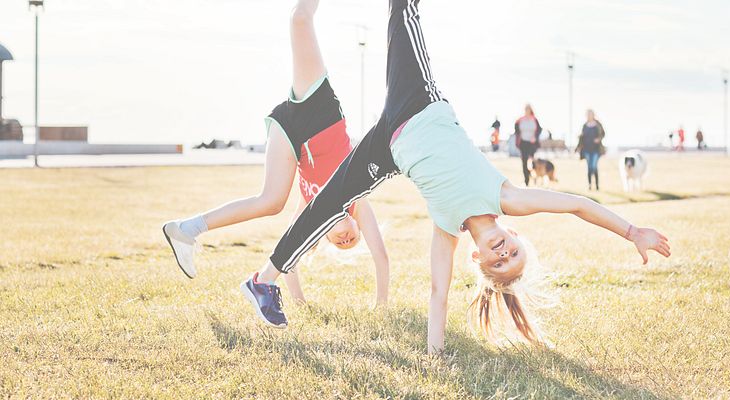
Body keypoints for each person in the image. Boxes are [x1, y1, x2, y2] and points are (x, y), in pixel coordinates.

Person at [241, 0, 671, 353]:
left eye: (498, 263)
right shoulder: (507, 198)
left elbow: (437, 296)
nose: (503, 254)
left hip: (387, 148)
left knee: (327, 204)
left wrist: (436, 355)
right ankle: (268, 278)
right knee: (402, 8)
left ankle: (263, 281)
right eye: (513, 254)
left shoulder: (447, 231)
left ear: (477, 258)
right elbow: (576, 204)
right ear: (516, 235)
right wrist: (630, 230)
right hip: (418, 100)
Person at [162, 0, 390, 307]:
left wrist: (300, 303)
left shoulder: (312, 208)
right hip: (319, 114)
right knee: (300, 18)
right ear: (357, 227)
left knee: (270, 202)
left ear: (323, 238)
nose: (345, 240)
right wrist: (382, 306)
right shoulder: (357, 200)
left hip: (290, 133)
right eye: (353, 239)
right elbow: (381, 255)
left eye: (340, 245)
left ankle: (187, 229)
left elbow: (290, 249)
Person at [576, 109, 606, 191]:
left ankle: (597, 186)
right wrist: (579, 144)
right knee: (589, 167)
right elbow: (582, 136)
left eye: (590, 114)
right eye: (588, 114)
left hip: (596, 149)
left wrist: (599, 139)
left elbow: (603, 134)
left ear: (593, 115)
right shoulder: (585, 125)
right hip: (586, 149)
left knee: (594, 166)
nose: (589, 115)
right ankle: (589, 185)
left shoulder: (598, 124)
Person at [514, 105, 542, 186]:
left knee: (532, 162)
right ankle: (526, 180)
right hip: (523, 143)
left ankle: (534, 178)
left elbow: (539, 130)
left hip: (532, 144)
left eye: (528, 109)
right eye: (525, 109)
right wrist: (518, 136)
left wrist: (535, 137)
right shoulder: (520, 120)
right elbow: (516, 129)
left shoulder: (534, 120)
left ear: (530, 110)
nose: (527, 110)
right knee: (524, 162)